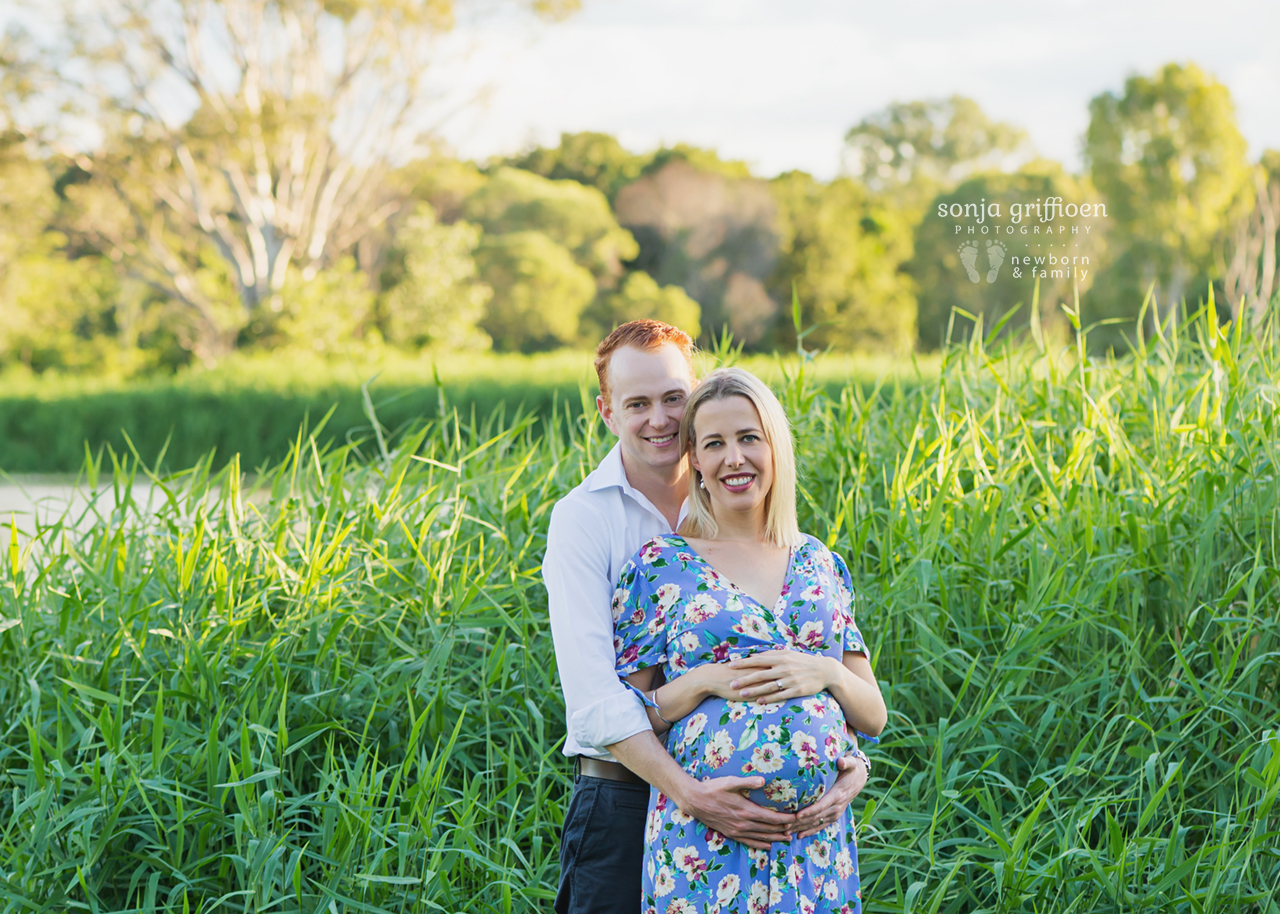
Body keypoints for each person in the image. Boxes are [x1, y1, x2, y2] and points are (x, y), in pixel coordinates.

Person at [543, 323, 871, 914]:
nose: (660, 419)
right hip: (629, 796)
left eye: (672, 398)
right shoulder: (584, 521)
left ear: (693, 397)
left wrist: (848, 764)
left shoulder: (751, 507)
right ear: (608, 413)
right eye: (637, 403)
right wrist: (693, 796)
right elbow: (595, 703)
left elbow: (840, 682)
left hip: (798, 837)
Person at [612, 367, 887, 913]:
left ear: (774, 448)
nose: (734, 458)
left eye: (748, 438)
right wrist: (701, 682)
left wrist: (829, 673)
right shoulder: (660, 566)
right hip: (704, 845)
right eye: (714, 443)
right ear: (695, 459)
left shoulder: (820, 564)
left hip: (814, 850)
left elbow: (874, 716)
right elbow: (626, 720)